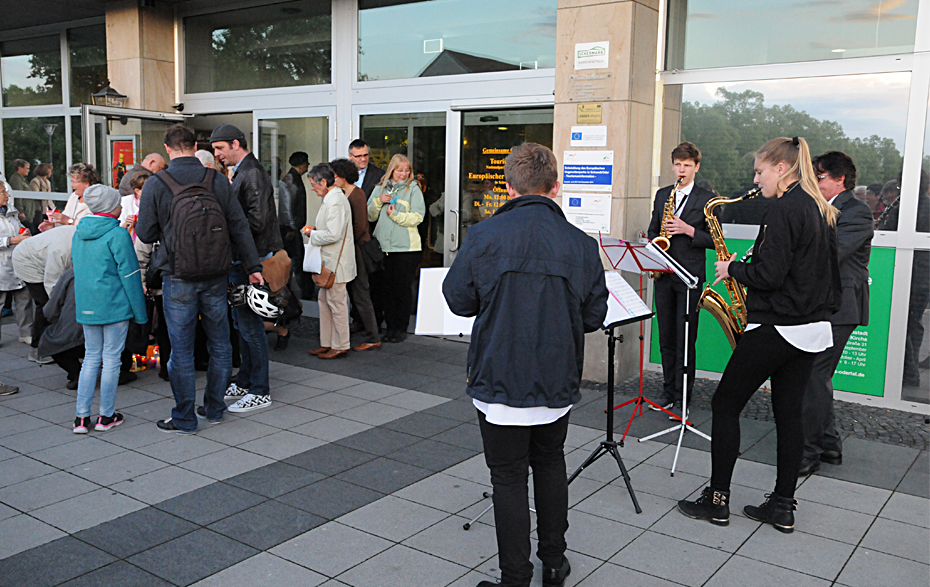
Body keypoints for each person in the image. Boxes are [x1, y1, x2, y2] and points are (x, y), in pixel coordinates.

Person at [444, 143, 608, 587]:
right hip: (556, 379)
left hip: (498, 377)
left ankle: (515, 577)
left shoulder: (483, 236)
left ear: (509, 187)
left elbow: (458, 300)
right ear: (555, 187)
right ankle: (554, 563)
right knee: (551, 464)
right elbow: (594, 316)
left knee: (508, 479)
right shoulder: (580, 244)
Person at [678, 137, 841, 534]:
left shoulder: (783, 209)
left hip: (778, 327)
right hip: (811, 329)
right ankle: (783, 506)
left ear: (781, 169)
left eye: (759, 170)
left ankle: (717, 501)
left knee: (725, 404)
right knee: (789, 415)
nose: (756, 179)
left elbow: (769, 275)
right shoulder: (819, 208)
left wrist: (732, 270)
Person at [137, 124, 264, 434]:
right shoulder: (217, 180)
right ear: (195, 146)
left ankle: (184, 417)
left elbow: (145, 233)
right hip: (217, 274)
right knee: (220, 344)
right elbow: (239, 226)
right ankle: (214, 408)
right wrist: (252, 265)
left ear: (167, 148)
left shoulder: (157, 183)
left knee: (181, 350)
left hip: (178, 275)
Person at [800, 152, 873, 476]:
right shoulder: (823, 207)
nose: (816, 183)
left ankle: (809, 451)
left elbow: (829, 255)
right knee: (818, 377)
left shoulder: (857, 211)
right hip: (823, 305)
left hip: (841, 307)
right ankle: (829, 444)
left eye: (821, 177)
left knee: (814, 376)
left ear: (840, 178)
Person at [210, 123, 281, 413]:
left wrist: (222, 232)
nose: (217, 154)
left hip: (249, 261)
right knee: (243, 323)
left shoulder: (250, 173)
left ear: (236, 144)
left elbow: (255, 222)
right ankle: (247, 380)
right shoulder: (245, 171)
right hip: (245, 259)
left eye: (219, 148)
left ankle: (260, 389)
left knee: (250, 325)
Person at [646, 142, 717, 418]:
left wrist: (688, 230)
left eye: (687, 165)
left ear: (696, 167)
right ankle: (667, 390)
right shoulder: (663, 195)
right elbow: (654, 229)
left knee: (685, 338)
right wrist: (652, 241)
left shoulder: (707, 199)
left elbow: (714, 240)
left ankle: (683, 397)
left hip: (689, 278)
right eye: (677, 165)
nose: (681, 170)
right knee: (666, 337)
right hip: (664, 274)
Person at [71, 184, 147, 434]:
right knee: (112, 359)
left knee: (91, 358)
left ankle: (81, 418)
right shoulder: (118, 235)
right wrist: (141, 313)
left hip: (88, 305)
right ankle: (106, 415)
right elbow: (131, 275)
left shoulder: (79, 232)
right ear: (111, 207)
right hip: (114, 304)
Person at [367, 154, 424, 343]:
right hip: (383, 247)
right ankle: (389, 327)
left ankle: (401, 328)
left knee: (401, 289)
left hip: (406, 249)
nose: (404, 173)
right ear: (391, 170)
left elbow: (418, 217)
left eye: (407, 170)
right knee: (386, 290)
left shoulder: (413, 189)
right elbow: (370, 216)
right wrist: (378, 201)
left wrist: (396, 216)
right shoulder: (379, 188)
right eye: (400, 170)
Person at [305, 163, 356, 359]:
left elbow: (333, 234)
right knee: (326, 301)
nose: (312, 188)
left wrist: (312, 234)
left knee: (336, 304)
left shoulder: (334, 200)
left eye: (313, 184)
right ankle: (327, 342)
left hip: (336, 263)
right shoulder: (333, 198)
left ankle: (340, 344)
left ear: (324, 182)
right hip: (331, 261)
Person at [330, 158, 381, 351]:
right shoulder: (343, 193)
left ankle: (373, 336)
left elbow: (360, 226)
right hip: (350, 248)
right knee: (354, 291)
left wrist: (342, 240)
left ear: (343, 176)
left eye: (334, 175)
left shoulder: (357, 195)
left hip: (357, 250)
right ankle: (361, 325)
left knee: (361, 293)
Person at [12, 223, 75, 364]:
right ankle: (37, 349)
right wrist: (60, 305)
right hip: (27, 260)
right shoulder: (61, 251)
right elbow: (52, 284)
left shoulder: (80, 236)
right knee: (45, 305)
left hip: (42, 254)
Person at [0, 182, 35, 346]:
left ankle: (26, 333)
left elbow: (18, 227)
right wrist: (12, 240)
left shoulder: (10, 210)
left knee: (24, 299)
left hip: (18, 261)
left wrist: (23, 231)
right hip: (1, 265)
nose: (7, 195)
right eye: (3, 192)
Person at [40, 268, 84, 390]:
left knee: (52, 339)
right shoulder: (115, 269)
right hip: (110, 329)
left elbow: (50, 310)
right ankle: (122, 370)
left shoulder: (71, 273)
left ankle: (75, 372)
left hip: (74, 333)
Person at [279, 151, 311, 304]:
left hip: (292, 228)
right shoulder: (290, 181)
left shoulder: (293, 179)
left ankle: (300, 293)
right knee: (295, 262)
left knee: (297, 262)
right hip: (290, 230)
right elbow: (286, 207)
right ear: (303, 164)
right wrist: (291, 228)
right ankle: (297, 294)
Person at [39, 163, 96, 232]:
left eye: (74, 182)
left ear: (86, 183)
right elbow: (64, 219)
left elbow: (93, 227)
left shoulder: (97, 201)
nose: (71, 185)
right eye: (71, 181)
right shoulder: (74, 197)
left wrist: (69, 221)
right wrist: (54, 225)